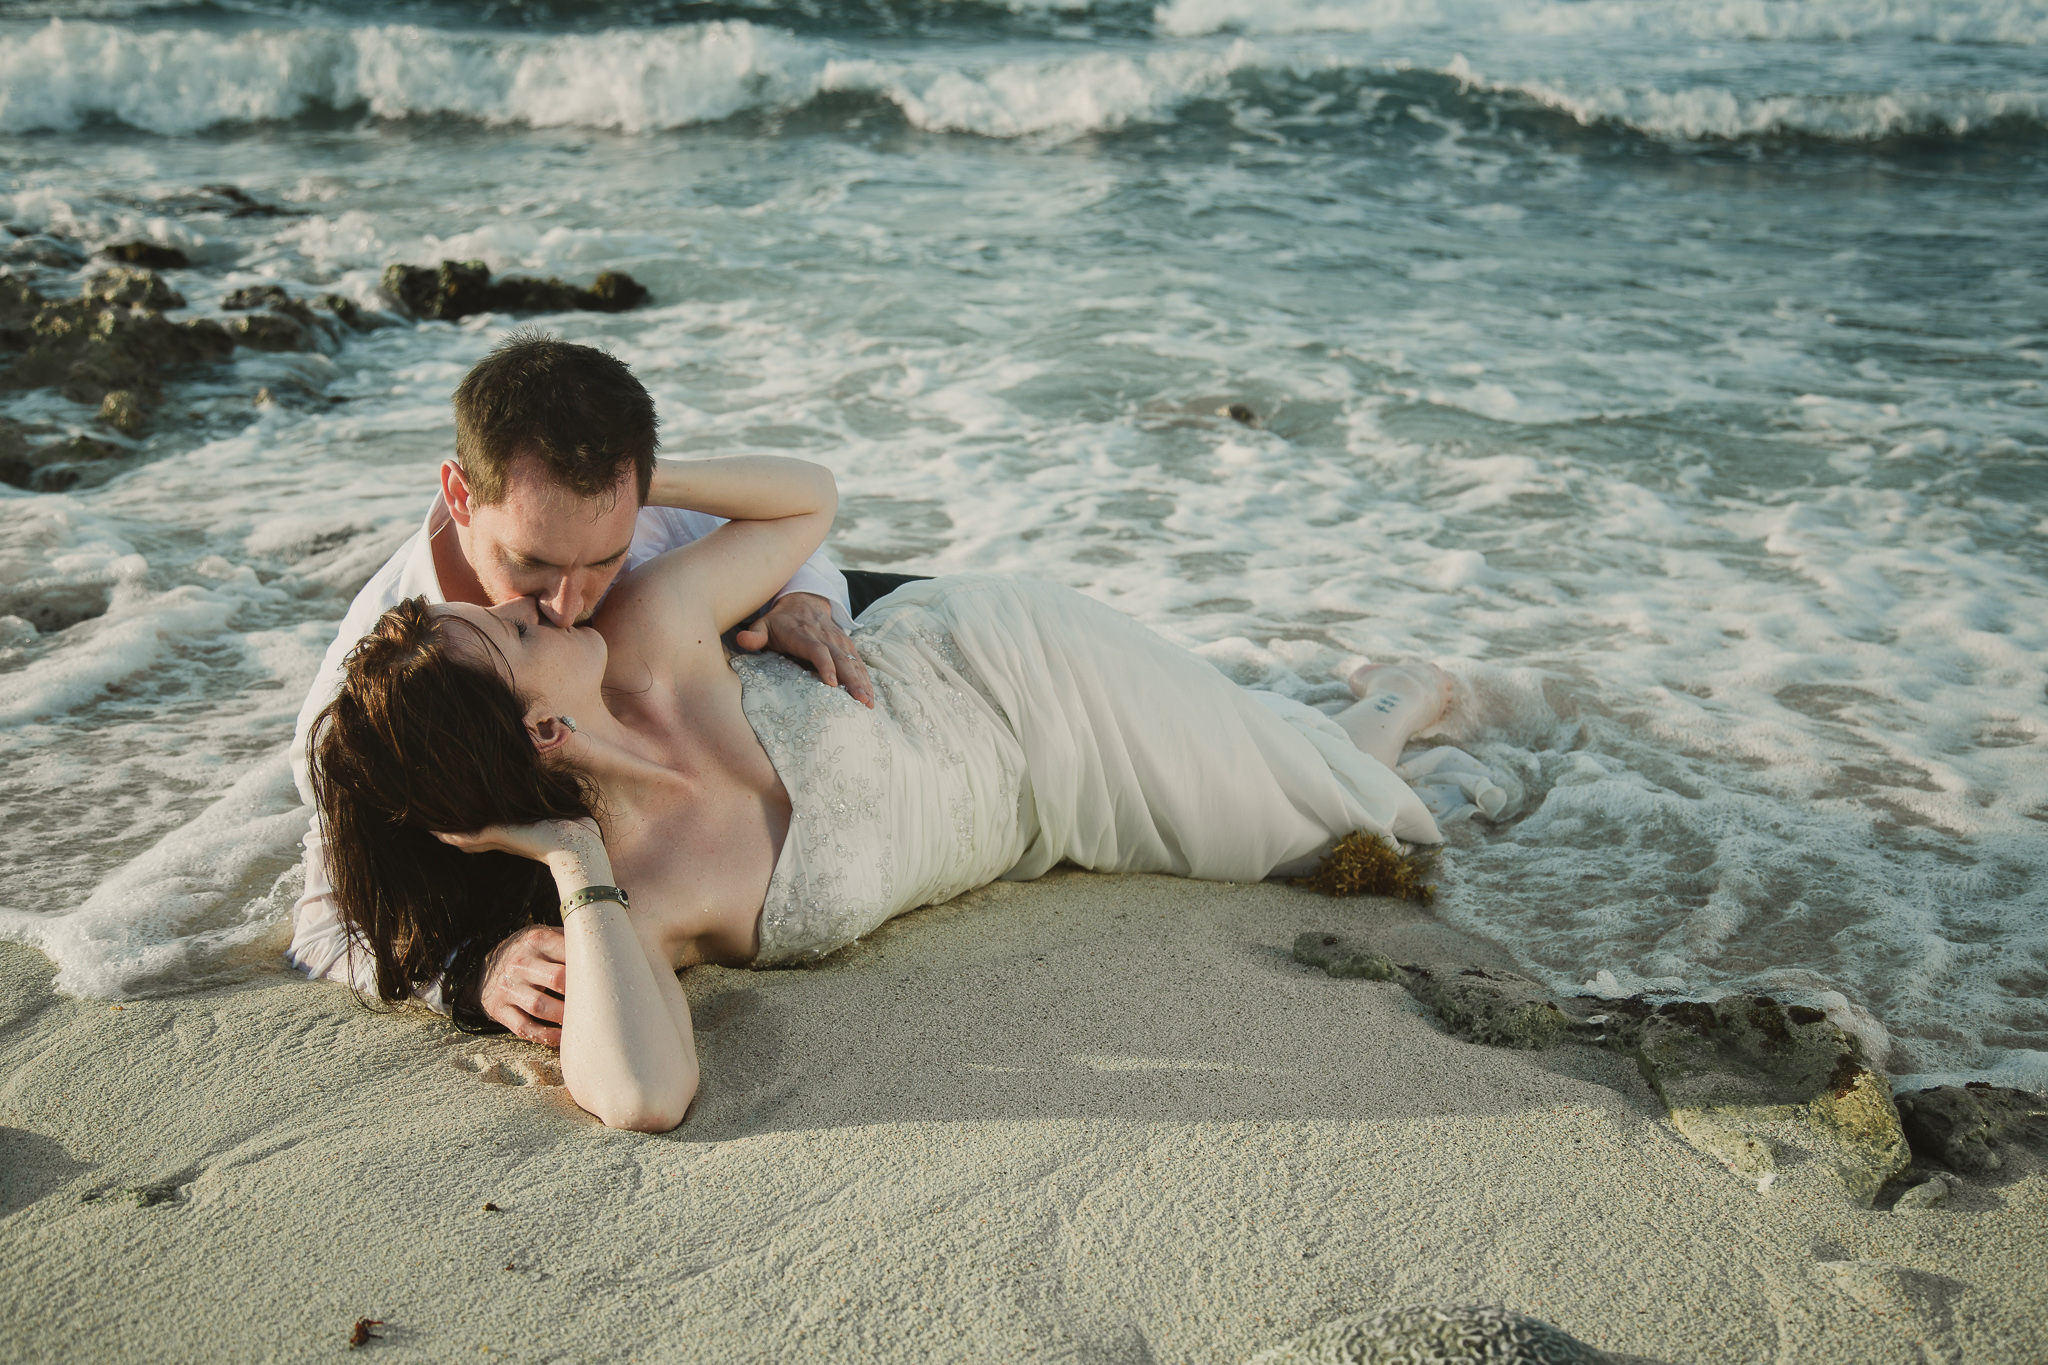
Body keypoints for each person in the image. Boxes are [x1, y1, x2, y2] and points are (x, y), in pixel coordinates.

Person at [309, 449, 1457, 1132]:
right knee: (1308, 806)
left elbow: (806, 498)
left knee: (1340, 809)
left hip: (1016, 669)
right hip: (1034, 827)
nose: (550, 604)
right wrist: (571, 861)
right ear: (542, 728)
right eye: (515, 624)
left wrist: (623, 486)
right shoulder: (635, 905)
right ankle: (1329, 707)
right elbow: (646, 1098)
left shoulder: (654, 633)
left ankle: (1397, 697)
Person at [285, 330, 920, 1038]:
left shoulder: (614, 503)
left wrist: (808, 595)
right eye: (530, 564)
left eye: (605, 562)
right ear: (461, 496)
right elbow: (321, 926)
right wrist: (471, 972)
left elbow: (788, 527)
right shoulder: (383, 691)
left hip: (781, 676)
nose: (567, 604)